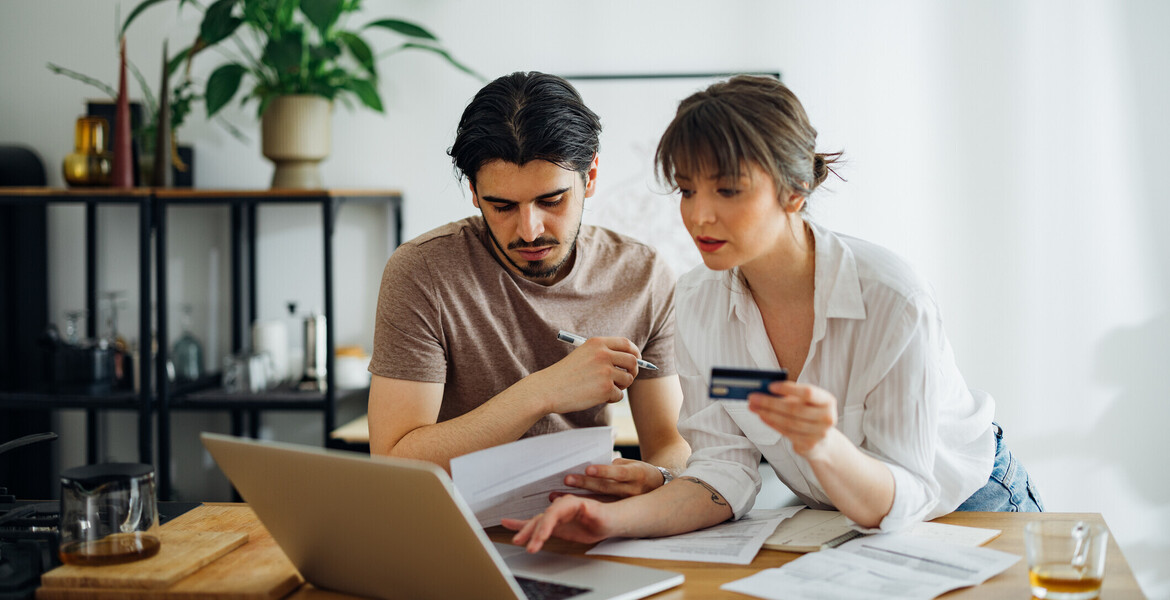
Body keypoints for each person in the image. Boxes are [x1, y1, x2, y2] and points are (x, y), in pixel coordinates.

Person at [504, 75, 1043, 551]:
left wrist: (823, 444)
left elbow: (906, 493)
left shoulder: (892, 298)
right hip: (838, 522)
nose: (698, 215)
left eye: (728, 190)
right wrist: (610, 520)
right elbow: (722, 473)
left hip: (969, 508)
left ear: (795, 189)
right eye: (687, 190)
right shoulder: (695, 299)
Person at [367, 72, 690, 495]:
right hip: (458, 531)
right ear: (474, 192)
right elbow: (394, 462)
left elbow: (669, 443)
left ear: (590, 177)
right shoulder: (422, 272)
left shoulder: (642, 276)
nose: (530, 230)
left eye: (551, 200)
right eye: (501, 206)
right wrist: (543, 392)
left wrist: (659, 476)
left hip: (586, 523)